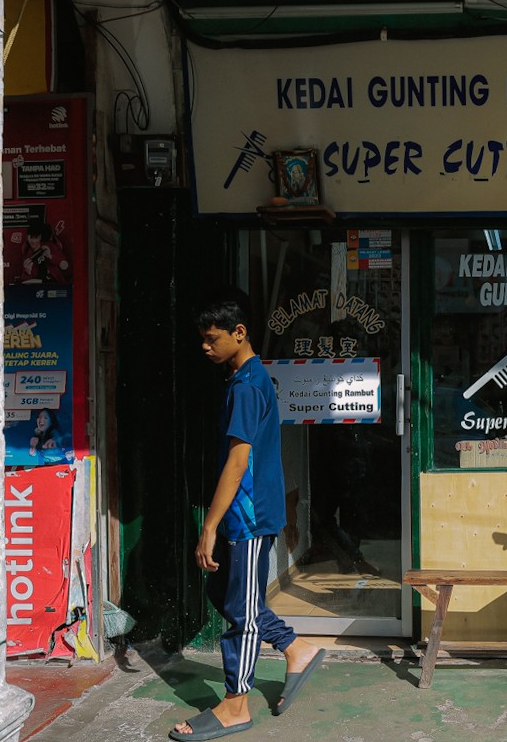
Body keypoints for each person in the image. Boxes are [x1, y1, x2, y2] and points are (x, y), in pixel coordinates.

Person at [171, 287, 325, 741]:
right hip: (245, 516)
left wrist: (209, 527)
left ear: (240, 333)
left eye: (212, 337)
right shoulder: (247, 380)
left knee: (240, 612)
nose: (205, 346)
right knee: (228, 597)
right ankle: (296, 648)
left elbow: (238, 463)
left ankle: (236, 704)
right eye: (202, 338)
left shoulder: (247, 386)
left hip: (249, 517)